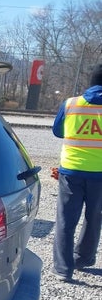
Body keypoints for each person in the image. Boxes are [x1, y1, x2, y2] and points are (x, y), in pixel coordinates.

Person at [51, 63, 102, 282]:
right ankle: (83, 258)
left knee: (65, 219)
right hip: (99, 174)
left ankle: (63, 269)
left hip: (71, 171)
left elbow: (58, 131)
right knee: (93, 218)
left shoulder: (71, 104)